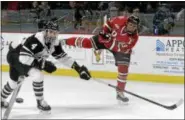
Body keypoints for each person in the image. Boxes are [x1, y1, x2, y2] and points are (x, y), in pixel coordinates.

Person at [1, 20, 91, 112]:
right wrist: (42, 64)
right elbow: (23, 58)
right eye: (51, 32)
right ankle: (40, 102)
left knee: (13, 83)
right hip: (15, 55)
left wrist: (78, 69)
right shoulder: (36, 39)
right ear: (46, 31)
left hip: (22, 57)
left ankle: (1, 99)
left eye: (55, 33)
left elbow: (63, 58)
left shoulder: (54, 43)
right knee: (37, 75)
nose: (53, 35)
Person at [65, 15, 140, 103]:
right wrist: (104, 34)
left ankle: (120, 92)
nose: (132, 28)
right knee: (88, 43)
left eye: (134, 26)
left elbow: (119, 48)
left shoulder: (134, 38)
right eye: (131, 25)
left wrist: (108, 42)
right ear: (127, 23)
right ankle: (65, 41)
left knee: (123, 69)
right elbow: (108, 23)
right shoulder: (120, 20)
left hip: (120, 49)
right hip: (109, 39)